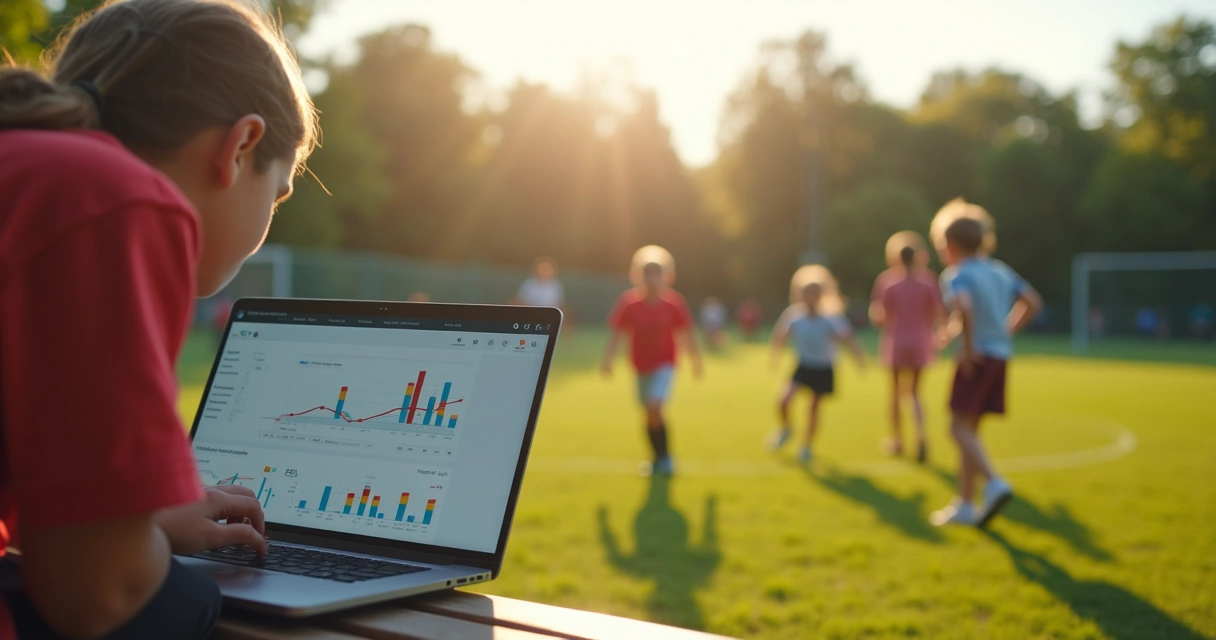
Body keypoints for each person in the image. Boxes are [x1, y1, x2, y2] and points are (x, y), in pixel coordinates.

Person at [0, 1, 317, 637]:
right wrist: (137, 545)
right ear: (241, 146)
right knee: (185, 600)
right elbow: (98, 594)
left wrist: (133, 516)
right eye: (277, 193)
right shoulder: (111, 200)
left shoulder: (26, 166)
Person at [929, 213, 1042, 528]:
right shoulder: (1000, 271)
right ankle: (965, 504)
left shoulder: (956, 274)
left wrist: (966, 347)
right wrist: (1005, 331)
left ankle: (994, 483)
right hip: (999, 356)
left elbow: (965, 306)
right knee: (971, 431)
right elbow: (1032, 302)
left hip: (976, 358)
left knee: (957, 429)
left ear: (950, 246)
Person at [602, 246, 703, 476]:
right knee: (648, 414)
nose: (652, 278)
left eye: (657, 273)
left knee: (655, 406)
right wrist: (608, 359)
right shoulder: (629, 303)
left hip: (665, 364)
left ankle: (666, 458)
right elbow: (617, 332)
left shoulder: (673, 303)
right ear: (640, 275)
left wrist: (696, 361)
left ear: (665, 276)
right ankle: (656, 458)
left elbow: (687, 333)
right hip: (640, 365)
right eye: (648, 273)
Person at [768, 266, 866, 464]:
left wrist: (859, 359)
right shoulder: (794, 315)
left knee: (813, 409)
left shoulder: (831, 319)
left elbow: (848, 339)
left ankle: (806, 446)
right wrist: (775, 356)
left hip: (823, 368)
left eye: (814, 294)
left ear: (821, 295)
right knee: (783, 400)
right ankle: (786, 429)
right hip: (803, 365)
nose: (810, 298)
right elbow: (780, 335)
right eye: (806, 294)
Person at [869, 232, 945, 463]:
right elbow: (938, 313)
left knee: (895, 393)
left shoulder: (888, 282)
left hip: (897, 342)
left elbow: (880, 316)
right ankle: (921, 436)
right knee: (915, 393)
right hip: (921, 341)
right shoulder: (928, 281)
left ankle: (897, 440)